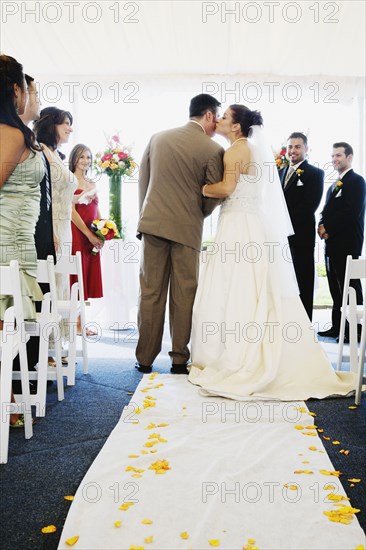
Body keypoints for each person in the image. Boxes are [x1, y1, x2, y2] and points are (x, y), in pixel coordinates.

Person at [188, 105, 356, 401]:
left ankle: (237, 356)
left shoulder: (237, 150)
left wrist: (199, 187)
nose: (221, 120)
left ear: (237, 126)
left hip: (239, 225)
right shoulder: (249, 148)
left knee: (236, 285)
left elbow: (227, 188)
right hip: (247, 223)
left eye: (225, 117)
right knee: (250, 286)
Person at [136, 93, 224, 374]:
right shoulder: (213, 149)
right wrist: (198, 213)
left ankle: (145, 358)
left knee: (150, 292)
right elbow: (213, 194)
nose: (217, 124)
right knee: (184, 293)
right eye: (216, 117)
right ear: (208, 115)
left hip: (153, 225)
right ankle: (178, 359)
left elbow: (144, 180)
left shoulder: (158, 138)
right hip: (188, 229)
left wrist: (145, 217)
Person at [0, 54, 44, 424]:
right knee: (4, 330)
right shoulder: (10, 134)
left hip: (16, 240)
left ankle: (8, 396)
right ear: (15, 90)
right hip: (7, 244)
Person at [318, 142, 366, 342]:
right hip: (331, 244)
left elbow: (351, 212)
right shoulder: (333, 185)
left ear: (349, 157)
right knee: (335, 287)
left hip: (347, 243)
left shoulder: (357, 182)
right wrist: (321, 225)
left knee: (350, 286)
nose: (334, 159)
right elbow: (326, 210)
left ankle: (356, 329)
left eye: (338, 155)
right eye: (332, 156)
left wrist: (328, 228)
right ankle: (338, 327)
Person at [279, 133, 324, 321]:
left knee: (302, 280)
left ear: (306, 149)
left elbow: (309, 207)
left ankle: (304, 323)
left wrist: (281, 220)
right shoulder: (279, 172)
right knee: (284, 281)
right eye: (290, 147)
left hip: (301, 237)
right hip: (280, 237)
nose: (293, 151)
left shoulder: (315, 174)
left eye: (297, 147)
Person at [19, 75, 56, 263]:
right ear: (21, 96)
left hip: (41, 234)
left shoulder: (31, 140)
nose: (40, 100)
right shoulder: (15, 139)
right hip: (24, 238)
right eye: (36, 95)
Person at [69, 144, 104, 335]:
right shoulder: (69, 181)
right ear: (74, 159)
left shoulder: (92, 182)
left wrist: (102, 231)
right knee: (76, 275)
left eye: (88, 157)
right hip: (77, 234)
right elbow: (71, 212)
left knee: (85, 276)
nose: (85, 161)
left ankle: (81, 322)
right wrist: (88, 235)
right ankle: (74, 323)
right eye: (82, 157)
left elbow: (97, 211)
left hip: (91, 234)